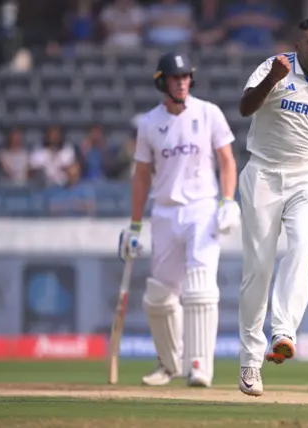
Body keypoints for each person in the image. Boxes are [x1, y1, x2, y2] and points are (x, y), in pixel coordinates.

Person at [237, 18, 308, 397]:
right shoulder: (273, 68)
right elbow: (245, 108)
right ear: (297, 45)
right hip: (263, 173)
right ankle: (250, 363)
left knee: (302, 244)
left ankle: (284, 331)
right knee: (259, 267)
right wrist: (272, 78)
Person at [117, 52, 241, 388]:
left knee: (200, 286)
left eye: (186, 77)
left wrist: (228, 201)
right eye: (176, 78)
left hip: (202, 209)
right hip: (165, 212)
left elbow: (227, 160)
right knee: (158, 295)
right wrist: (135, 225)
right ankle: (169, 365)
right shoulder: (148, 123)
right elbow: (142, 176)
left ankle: (199, 366)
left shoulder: (208, 112)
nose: (182, 83)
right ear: (162, 81)